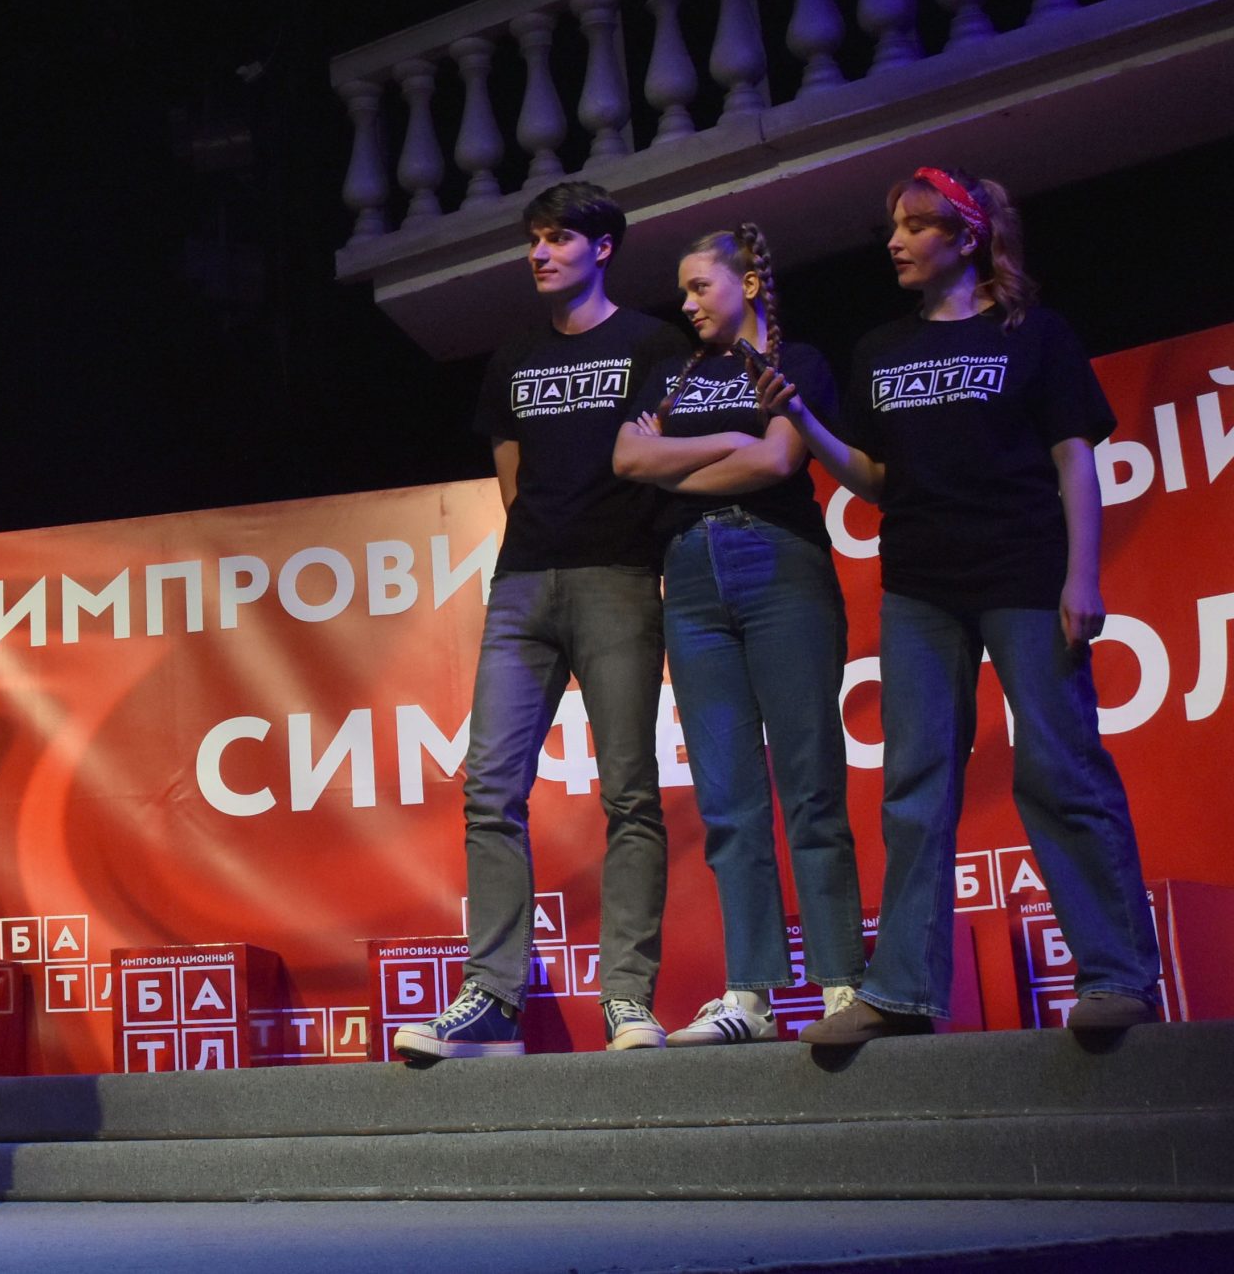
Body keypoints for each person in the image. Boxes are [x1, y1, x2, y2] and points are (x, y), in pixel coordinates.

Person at [759, 164, 1160, 1044]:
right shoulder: (880, 349)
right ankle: (902, 992)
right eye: (892, 227)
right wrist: (807, 424)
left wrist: (1082, 577)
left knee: (1060, 769)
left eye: (915, 225)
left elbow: (1074, 461)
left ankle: (1117, 974)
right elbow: (877, 479)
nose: (895, 242)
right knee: (915, 786)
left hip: (1024, 572)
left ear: (968, 237)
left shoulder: (1035, 334)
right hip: (920, 588)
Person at [396, 182, 690, 1060]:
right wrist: (541, 546)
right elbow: (512, 479)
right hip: (523, 585)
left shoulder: (652, 343)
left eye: (559, 238)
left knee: (630, 796)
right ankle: (492, 1001)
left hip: (619, 578)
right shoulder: (514, 356)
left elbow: (663, 457)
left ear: (603, 248)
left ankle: (627, 1000)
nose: (539, 252)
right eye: (534, 238)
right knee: (490, 791)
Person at [613, 224, 862, 1045]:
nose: (686, 304)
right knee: (726, 797)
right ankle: (750, 996)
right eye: (682, 291)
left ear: (748, 283)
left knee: (811, 784)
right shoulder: (670, 376)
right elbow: (627, 459)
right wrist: (728, 439)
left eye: (700, 287)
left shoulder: (796, 362)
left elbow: (779, 461)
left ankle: (840, 984)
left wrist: (677, 466)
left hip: (778, 562)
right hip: (688, 576)